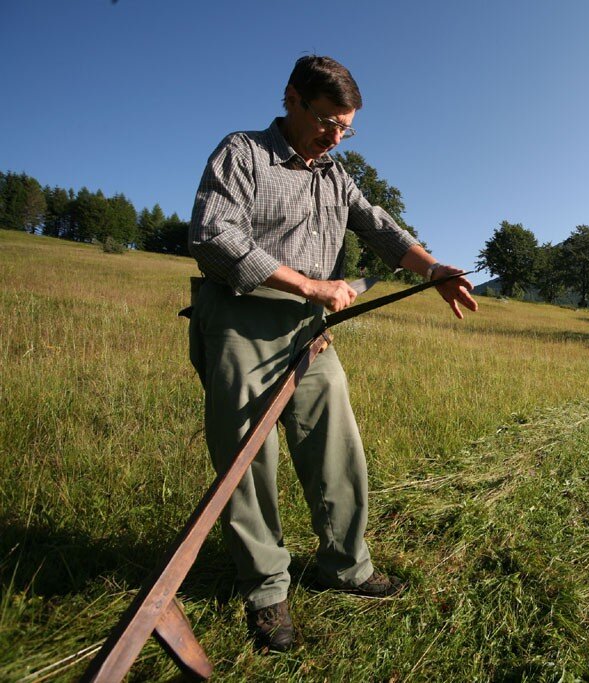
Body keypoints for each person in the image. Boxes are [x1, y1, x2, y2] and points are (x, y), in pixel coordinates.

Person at [187, 55, 477, 652]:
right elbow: (213, 238)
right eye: (327, 121)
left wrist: (434, 269)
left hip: (310, 334)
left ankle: (345, 566)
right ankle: (267, 592)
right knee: (247, 464)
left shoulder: (336, 176)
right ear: (291, 97)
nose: (335, 136)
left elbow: (381, 229)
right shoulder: (243, 154)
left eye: (346, 128)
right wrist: (312, 285)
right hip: (242, 322)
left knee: (337, 450)